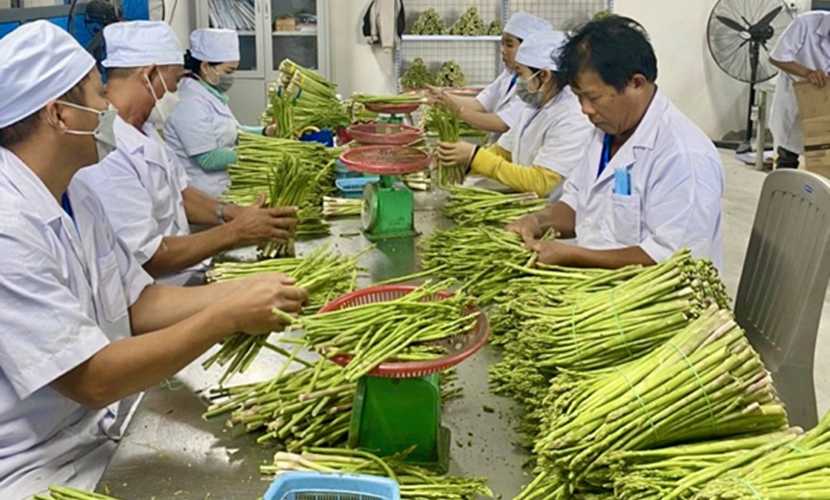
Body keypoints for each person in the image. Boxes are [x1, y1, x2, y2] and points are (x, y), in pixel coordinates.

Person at [0, 21, 308, 499]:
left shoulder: (76, 192)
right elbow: (92, 377)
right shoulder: (8, 228)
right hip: (36, 464)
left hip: (104, 426)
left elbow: (137, 303)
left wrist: (256, 289)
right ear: (59, 115)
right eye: (98, 96)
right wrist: (225, 316)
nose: (107, 110)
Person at [77, 21, 297, 286]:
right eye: (175, 81)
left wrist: (232, 212)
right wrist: (235, 232)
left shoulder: (145, 129)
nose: (175, 93)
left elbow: (179, 193)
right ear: (149, 75)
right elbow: (147, 257)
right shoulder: (106, 152)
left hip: (188, 269)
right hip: (160, 292)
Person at [507, 16, 724, 271]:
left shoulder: (683, 155)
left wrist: (573, 256)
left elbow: (675, 259)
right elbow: (576, 202)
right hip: (598, 282)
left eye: (593, 97)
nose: (585, 109)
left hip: (655, 301)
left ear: (637, 84)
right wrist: (537, 222)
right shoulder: (604, 132)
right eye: (579, 97)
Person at [435, 30, 594, 198]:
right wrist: (460, 160)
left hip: (551, 212)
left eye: (520, 73)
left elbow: (541, 182)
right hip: (527, 202)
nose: (517, 81)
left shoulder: (572, 117)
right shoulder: (533, 104)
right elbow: (504, 151)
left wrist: (475, 156)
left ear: (544, 75)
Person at [165, 29, 277, 197]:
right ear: (205, 66)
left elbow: (234, 131)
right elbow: (208, 159)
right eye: (228, 72)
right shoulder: (189, 101)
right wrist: (259, 152)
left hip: (223, 185)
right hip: (203, 193)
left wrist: (265, 133)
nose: (231, 78)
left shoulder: (209, 92)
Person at [428, 11, 552, 140]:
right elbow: (479, 104)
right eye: (502, 44)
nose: (503, 50)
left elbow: (502, 124)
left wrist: (456, 109)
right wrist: (442, 96)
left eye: (509, 45)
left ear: (529, 47)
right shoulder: (509, 75)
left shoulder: (534, 84)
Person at [769, 10, 830, 169]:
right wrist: (808, 73)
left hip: (825, 103)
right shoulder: (806, 23)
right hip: (796, 98)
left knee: (822, 159)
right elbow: (777, 57)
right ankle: (783, 189)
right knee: (788, 154)